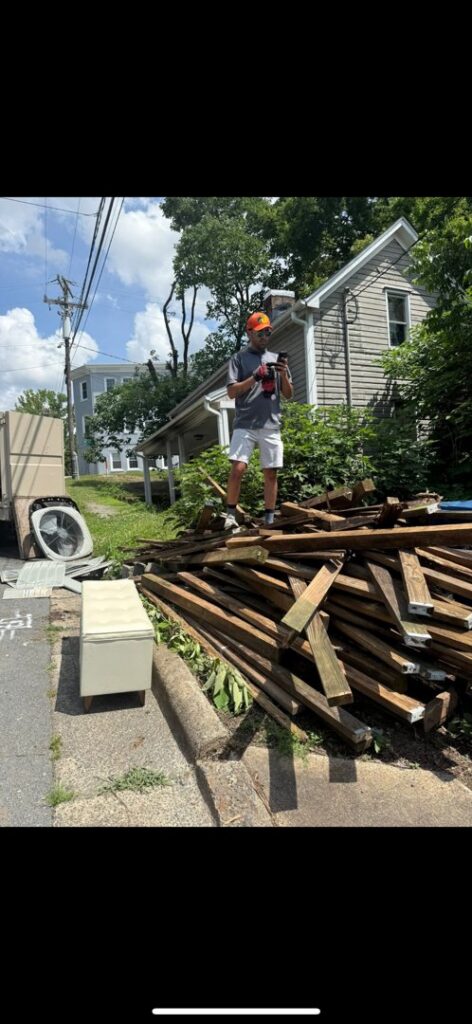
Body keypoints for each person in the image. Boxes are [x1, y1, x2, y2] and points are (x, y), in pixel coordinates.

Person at [224, 311, 293, 530]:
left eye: (268, 332)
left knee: (271, 471)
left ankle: (269, 518)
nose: (265, 336)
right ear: (250, 333)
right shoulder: (239, 359)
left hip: (271, 424)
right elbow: (232, 392)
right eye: (261, 333)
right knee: (238, 468)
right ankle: (230, 514)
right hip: (245, 422)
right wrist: (255, 376)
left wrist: (282, 374)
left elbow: (289, 394)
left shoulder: (276, 358)